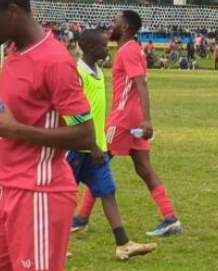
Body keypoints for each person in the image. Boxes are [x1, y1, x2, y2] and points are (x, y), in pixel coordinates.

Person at [0, 0, 97, 271]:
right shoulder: (13, 50)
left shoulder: (55, 61)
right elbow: (21, 116)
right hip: (1, 190)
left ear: (12, 12)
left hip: (39, 194)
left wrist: (13, 129)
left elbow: (85, 134)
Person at [67, 30, 157, 259]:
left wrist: (98, 145)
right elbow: (73, 114)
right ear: (90, 48)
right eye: (104, 46)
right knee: (64, 197)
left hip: (95, 148)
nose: (108, 49)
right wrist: (91, 145)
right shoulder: (77, 74)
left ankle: (123, 243)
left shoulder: (96, 71)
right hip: (77, 148)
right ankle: (53, 243)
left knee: (108, 191)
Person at [105, 11, 182, 237]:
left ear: (125, 27)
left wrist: (148, 120)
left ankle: (80, 218)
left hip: (122, 118)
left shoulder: (128, 50)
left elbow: (141, 84)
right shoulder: (132, 49)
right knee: (144, 168)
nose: (111, 24)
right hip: (133, 117)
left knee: (96, 163)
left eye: (115, 21)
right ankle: (170, 217)